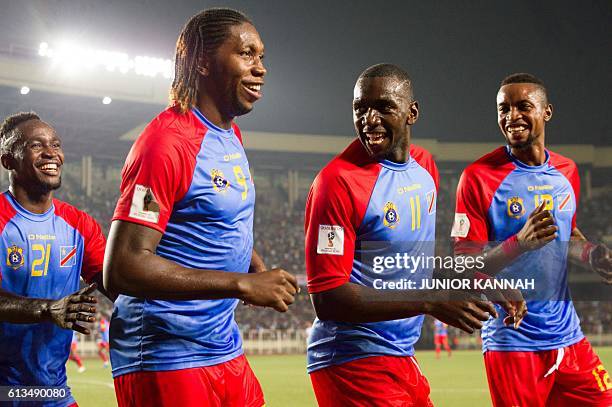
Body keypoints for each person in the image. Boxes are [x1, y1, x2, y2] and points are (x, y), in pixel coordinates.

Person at [104, 8, 298, 407]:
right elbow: (122, 266)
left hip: (220, 343)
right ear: (202, 62)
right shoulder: (166, 143)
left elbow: (210, 216)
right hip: (164, 351)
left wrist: (249, 261)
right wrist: (239, 283)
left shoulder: (230, 135)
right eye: (246, 53)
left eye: (262, 56)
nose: (260, 68)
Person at [304, 63, 502, 406]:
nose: (369, 119)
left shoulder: (425, 167)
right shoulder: (337, 182)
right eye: (360, 108)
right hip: (352, 360)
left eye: (383, 107)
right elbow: (327, 298)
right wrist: (430, 301)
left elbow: (413, 266)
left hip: (400, 355)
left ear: (412, 113)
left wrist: (484, 281)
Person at [451, 73, 612, 406]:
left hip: (569, 337)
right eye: (504, 108)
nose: (512, 116)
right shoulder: (478, 178)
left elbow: (568, 234)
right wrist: (518, 243)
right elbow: (462, 266)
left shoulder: (567, 171)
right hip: (513, 343)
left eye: (523, 106)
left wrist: (592, 253)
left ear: (546, 112)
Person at [0, 111, 106, 406]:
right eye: (36, 145)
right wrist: (47, 309)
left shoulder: (79, 224)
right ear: (8, 161)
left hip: (53, 392)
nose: (51, 152)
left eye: (56, 144)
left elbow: (119, 283)